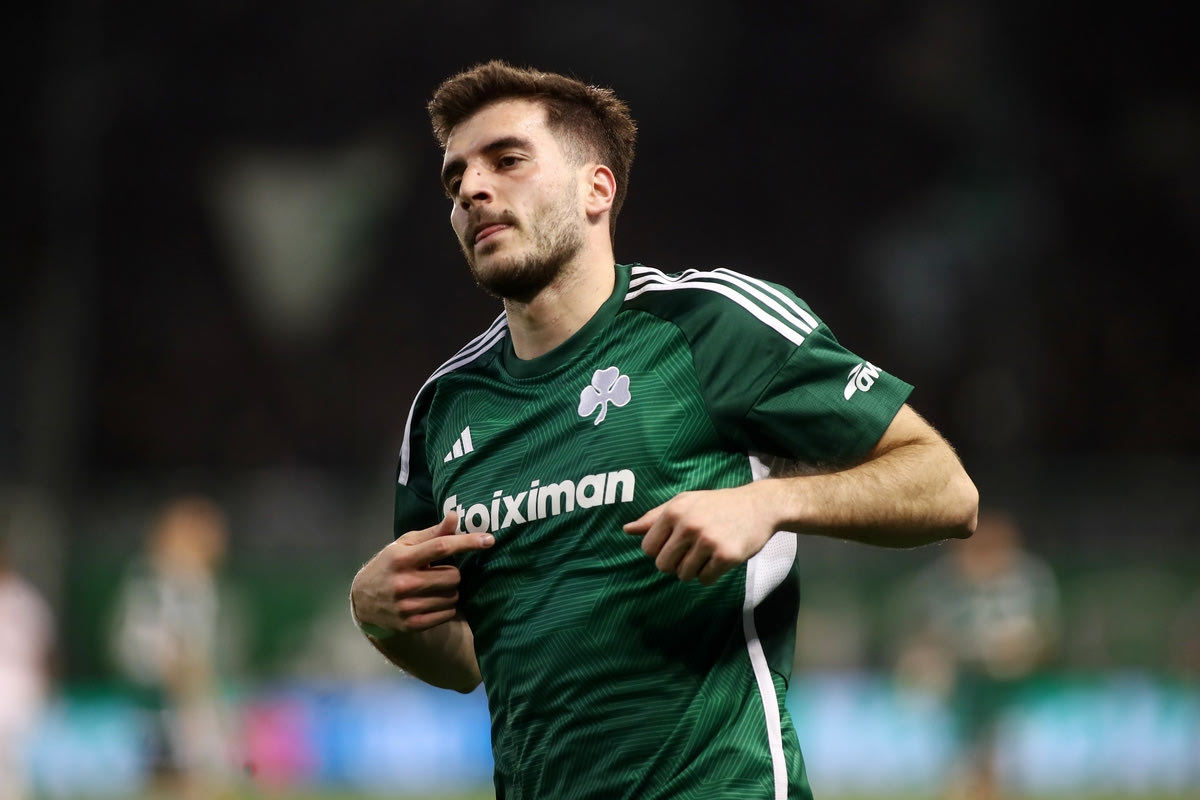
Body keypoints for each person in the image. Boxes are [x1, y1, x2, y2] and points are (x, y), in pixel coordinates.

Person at [350, 60, 979, 800]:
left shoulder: (710, 325)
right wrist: (383, 620)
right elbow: (466, 662)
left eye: (507, 160)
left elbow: (948, 490)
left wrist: (770, 503)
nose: (471, 190)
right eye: (455, 179)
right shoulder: (445, 407)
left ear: (597, 189)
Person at [894, 508, 1060, 800]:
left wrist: (1023, 649)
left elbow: (1046, 635)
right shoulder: (941, 583)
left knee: (999, 756)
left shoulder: (1028, 580)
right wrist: (926, 659)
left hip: (1009, 688)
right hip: (961, 684)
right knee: (960, 759)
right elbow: (921, 635)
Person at [110, 494, 238, 800]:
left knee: (171, 774)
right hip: (174, 690)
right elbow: (178, 643)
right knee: (192, 773)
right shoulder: (180, 583)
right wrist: (193, 686)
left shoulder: (157, 580)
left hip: (160, 688)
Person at [0, 535, 56, 800]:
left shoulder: (24, 600)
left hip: (19, 693)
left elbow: (43, 652)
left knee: (15, 772)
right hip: (22, 693)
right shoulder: (28, 599)